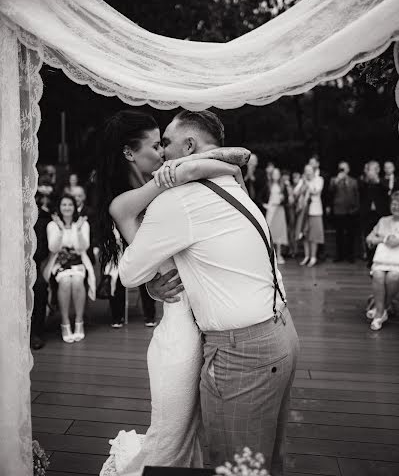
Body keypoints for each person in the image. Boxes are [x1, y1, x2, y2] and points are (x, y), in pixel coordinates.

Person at [114, 110, 299, 475]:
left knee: (234, 467)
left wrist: (150, 281)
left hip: (242, 353)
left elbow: (129, 272)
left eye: (166, 142)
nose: (162, 151)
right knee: (263, 462)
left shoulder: (178, 201)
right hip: (282, 333)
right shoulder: (234, 185)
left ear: (189, 146)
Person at [97, 109, 252, 476]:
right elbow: (131, 271)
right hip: (179, 335)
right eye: (156, 145)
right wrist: (150, 284)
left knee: (191, 439)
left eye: (165, 144)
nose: (164, 153)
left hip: (208, 324)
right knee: (170, 440)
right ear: (129, 153)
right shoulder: (130, 199)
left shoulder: (171, 189)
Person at [43, 194, 96, 343]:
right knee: (66, 281)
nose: (67, 208)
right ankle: (65, 323)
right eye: (64, 204)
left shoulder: (82, 224)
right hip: (59, 263)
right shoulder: (52, 225)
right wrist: (60, 229)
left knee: (77, 281)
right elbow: (53, 248)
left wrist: (78, 230)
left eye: (70, 205)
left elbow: (82, 247)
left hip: (79, 262)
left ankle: (79, 322)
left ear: (74, 207)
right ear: (59, 207)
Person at [366, 191, 399, 331]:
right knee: (378, 275)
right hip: (382, 260)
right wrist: (385, 239)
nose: (396, 206)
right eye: (394, 203)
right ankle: (381, 313)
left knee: (393, 277)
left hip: (398, 263)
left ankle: (379, 309)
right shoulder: (383, 221)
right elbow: (369, 238)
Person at [31, 192, 52, 350]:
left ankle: (36, 332)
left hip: (33, 265)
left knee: (39, 287)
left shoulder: (42, 219)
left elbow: (42, 251)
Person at [294, 164, 324, 267]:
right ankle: (306, 256)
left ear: (314, 171)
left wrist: (307, 183)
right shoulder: (303, 181)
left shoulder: (319, 179)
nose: (308, 172)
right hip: (304, 212)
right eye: (306, 170)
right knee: (305, 235)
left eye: (310, 170)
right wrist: (302, 183)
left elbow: (315, 191)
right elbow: (295, 192)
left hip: (315, 211)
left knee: (314, 236)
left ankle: (313, 257)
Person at [329, 162, 360, 263]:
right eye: (340, 168)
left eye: (344, 168)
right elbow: (330, 191)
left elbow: (357, 196)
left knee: (351, 234)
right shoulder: (334, 180)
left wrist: (356, 208)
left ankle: (350, 256)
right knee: (339, 234)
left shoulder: (353, 181)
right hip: (339, 211)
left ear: (348, 169)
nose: (342, 170)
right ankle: (339, 255)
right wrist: (337, 180)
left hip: (351, 211)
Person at [359, 161, 388, 266]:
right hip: (367, 213)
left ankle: (378, 258)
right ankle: (370, 259)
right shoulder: (364, 183)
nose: (371, 171)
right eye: (369, 169)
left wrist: (376, 180)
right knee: (368, 235)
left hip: (379, 214)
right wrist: (367, 177)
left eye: (373, 169)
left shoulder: (383, 181)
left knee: (379, 235)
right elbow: (360, 190)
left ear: (377, 170)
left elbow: (386, 191)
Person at [259, 167, 288, 264]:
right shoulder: (268, 185)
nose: (276, 175)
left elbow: (287, 200)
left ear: (280, 175)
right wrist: (265, 205)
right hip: (271, 210)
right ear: (271, 175)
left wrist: (283, 199)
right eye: (274, 173)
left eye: (277, 173)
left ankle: (279, 255)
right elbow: (260, 197)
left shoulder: (283, 186)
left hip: (280, 210)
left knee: (279, 232)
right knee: (270, 232)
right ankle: (271, 256)